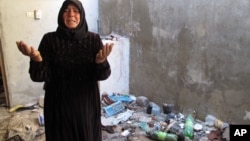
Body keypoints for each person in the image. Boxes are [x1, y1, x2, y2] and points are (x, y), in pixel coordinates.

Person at [16, 0, 114, 140]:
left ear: (82, 14)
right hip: (58, 104)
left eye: (76, 11)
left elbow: (103, 75)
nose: (71, 15)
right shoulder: (49, 40)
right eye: (66, 10)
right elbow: (38, 77)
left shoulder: (93, 39)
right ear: (61, 14)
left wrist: (101, 62)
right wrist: (36, 59)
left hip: (85, 104)